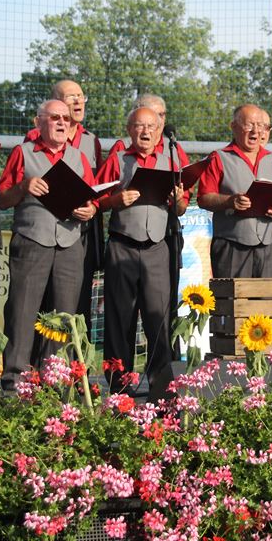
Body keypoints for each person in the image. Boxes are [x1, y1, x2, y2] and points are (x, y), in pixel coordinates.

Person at [0, 100, 99, 392]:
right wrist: (23, 186)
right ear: (38, 121)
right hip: (32, 240)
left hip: (69, 242)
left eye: (66, 118)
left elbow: (91, 199)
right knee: (22, 309)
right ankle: (14, 378)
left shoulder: (79, 157)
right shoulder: (23, 153)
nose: (62, 122)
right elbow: (2, 199)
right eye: (54, 117)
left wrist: (90, 210)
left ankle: (55, 378)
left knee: (64, 314)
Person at [95, 107, 188, 395]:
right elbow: (97, 200)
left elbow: (182, 208)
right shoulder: (118, 160)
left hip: (157, 248)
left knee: (158, 319)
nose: (145, 132)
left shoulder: (170, 160)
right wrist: (116, 200)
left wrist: (179, 200)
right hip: (122, 245)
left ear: (160, 130)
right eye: (139, 126)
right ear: (129, 129)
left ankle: (162, 390)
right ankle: (119, 389)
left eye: (151, 126)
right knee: (119, 320)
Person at [27, 80, 103, 327]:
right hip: (42, 230)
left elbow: (95, 186)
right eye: (71, 97)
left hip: (78, 230)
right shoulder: (33, 140)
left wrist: (92, 207)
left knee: (75, 295)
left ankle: (74, 361)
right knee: (38, 298)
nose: (78, 101)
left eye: (81, 96)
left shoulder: (91, 141)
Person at [197, 104, 272, 278]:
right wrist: (229, 201)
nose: (255, 131)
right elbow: (204, 198)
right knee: (233, 303)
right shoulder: (218, 158)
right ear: (234, 127)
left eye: (260, 125)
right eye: (249, 125)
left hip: (270, 246)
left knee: (270, 303)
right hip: (232, 247)